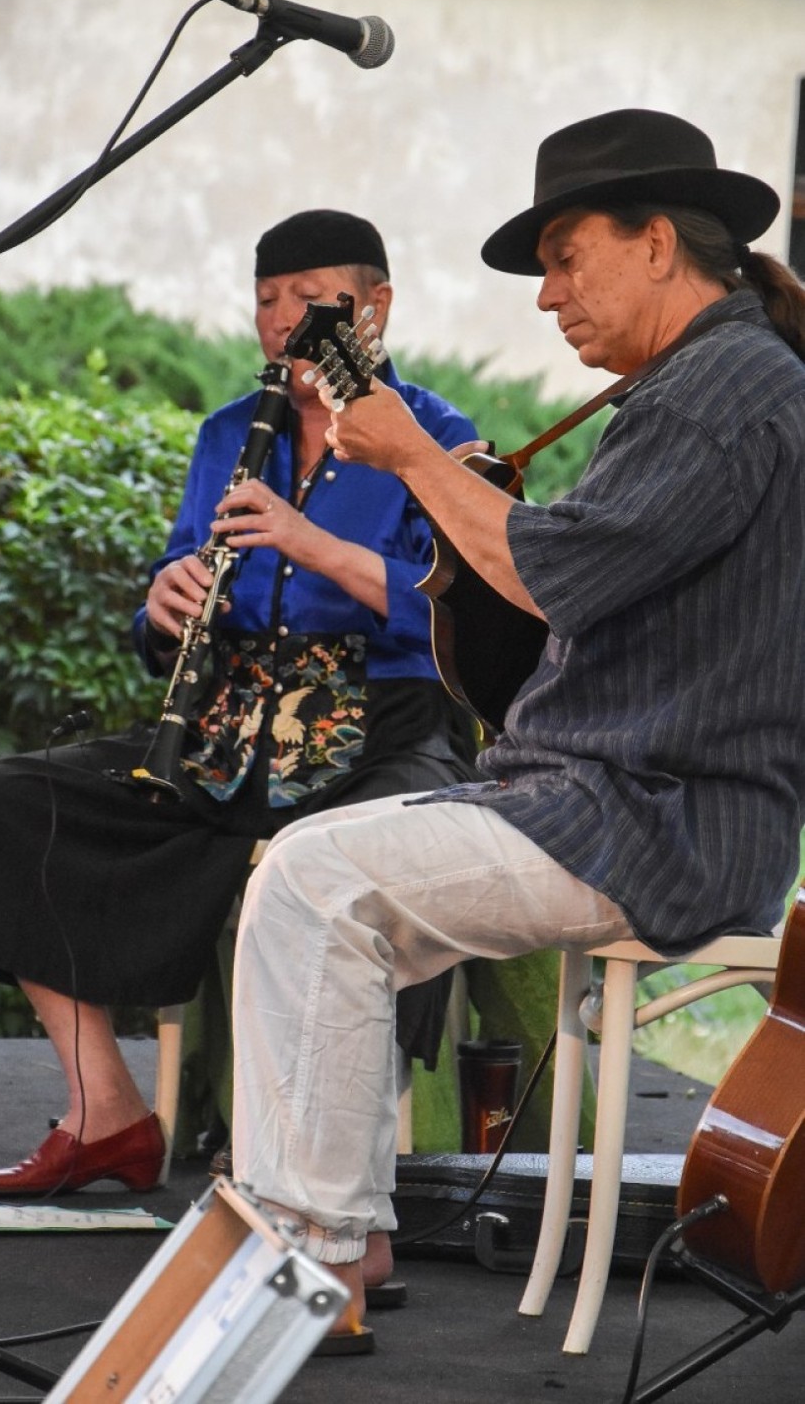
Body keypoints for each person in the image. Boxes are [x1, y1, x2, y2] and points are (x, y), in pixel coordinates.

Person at [227, 109, 805, 1348]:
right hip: (617, 799)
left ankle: (313, 1256)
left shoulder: (724, 389)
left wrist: (418, 461)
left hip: (656, 817)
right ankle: (336, 1228)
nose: (547, 297)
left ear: (657, 242)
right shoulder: (705, 377)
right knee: (307, 874)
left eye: (563, 256)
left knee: (318, 881)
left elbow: (559, 582)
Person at [0, 209, 480, 1202]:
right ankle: (103, 1109)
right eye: (266, 300)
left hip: (378, 726)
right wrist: (161, 603)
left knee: (330, 871)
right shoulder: (231, 434)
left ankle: (307, 1176)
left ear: (376, 306)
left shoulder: (441, 439)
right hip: (230, 730)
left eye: (307, 297)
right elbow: (180, 582)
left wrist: (308, 540)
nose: (281, 321)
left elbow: (459, 614)